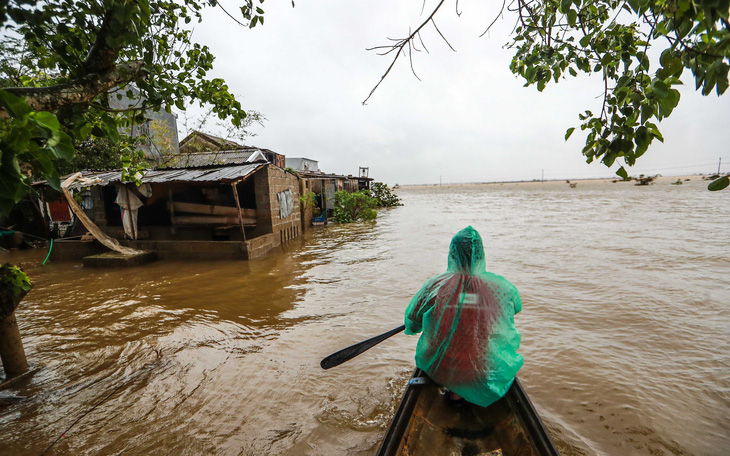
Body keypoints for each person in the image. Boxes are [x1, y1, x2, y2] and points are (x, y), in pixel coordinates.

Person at [404, 226, 523, 408]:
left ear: (452, 254)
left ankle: (453, 395)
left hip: (440, 366)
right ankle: (467, 393)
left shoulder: (435, 286)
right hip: (483, 368)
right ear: (481, 255)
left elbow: (412, 325)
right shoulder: (502, 288)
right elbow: (515, 309)